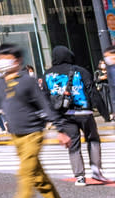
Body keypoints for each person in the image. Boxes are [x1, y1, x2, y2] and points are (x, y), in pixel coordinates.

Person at [0, 45, 72, 198]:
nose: (1, 61)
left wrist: (60, 129)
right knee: (37, 175)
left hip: (33, 133)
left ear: (17, 61)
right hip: (16, 135)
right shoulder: (0, 82)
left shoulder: (27, 81)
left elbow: (45, 105)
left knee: (25, 172)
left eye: (5, 57)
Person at [43, 45, 110, 185]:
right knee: (93, 139)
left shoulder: (48, 75)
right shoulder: (81, 71)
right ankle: (96, 170)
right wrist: (105, 113)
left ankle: (79, 176)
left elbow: (45, 98)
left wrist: (53, 119)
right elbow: (93, 92)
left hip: (65, 115)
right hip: (84, 112)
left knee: (74, 144)